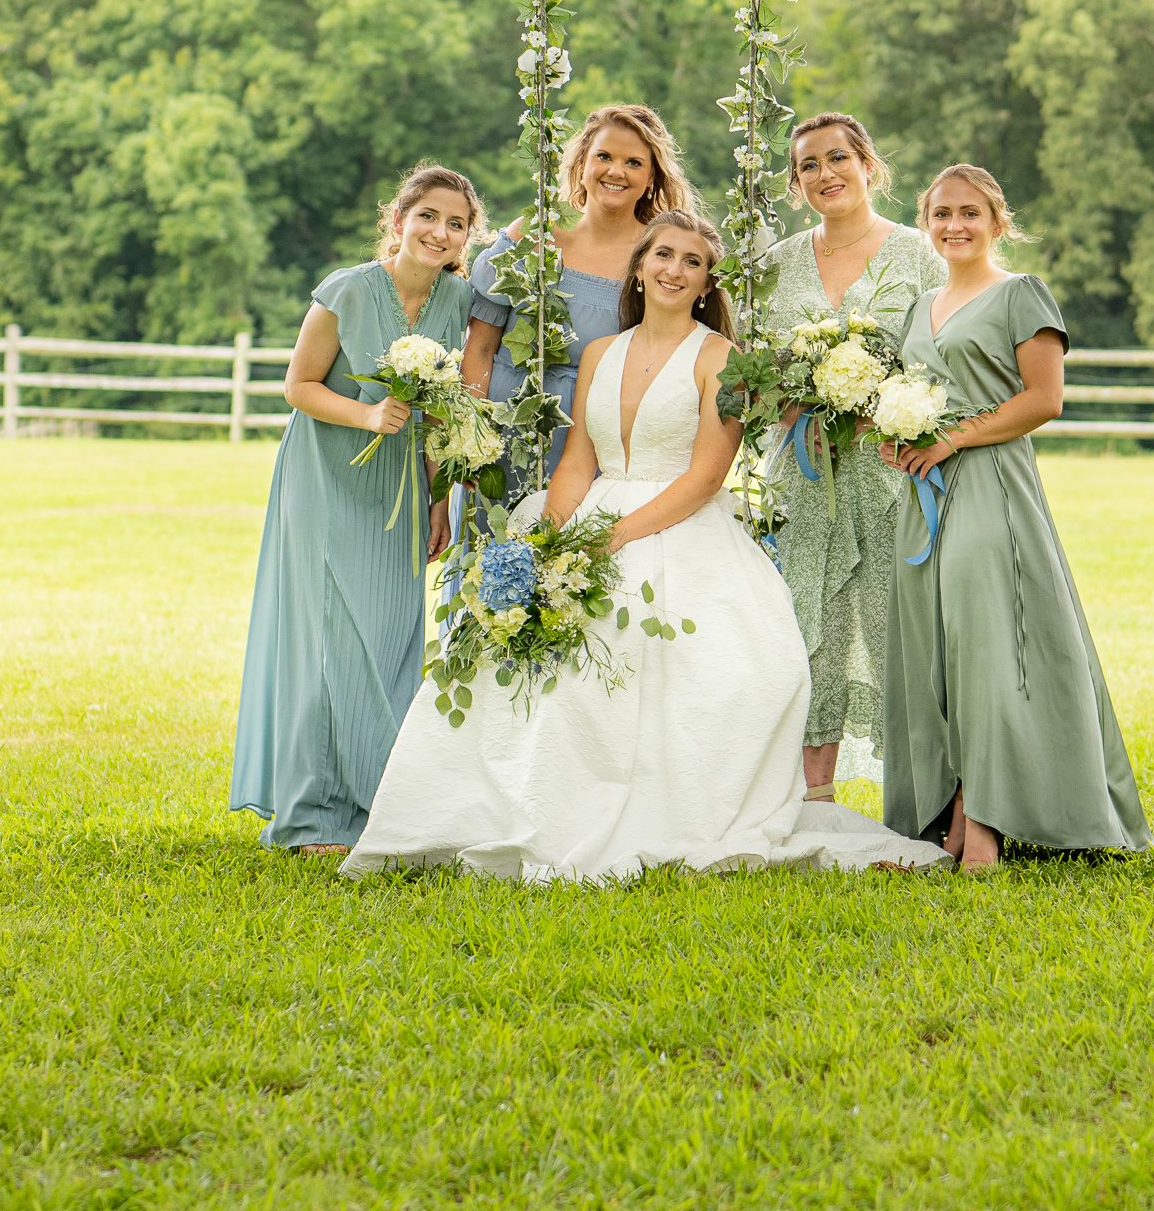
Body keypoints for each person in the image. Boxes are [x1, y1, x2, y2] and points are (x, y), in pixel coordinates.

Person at [344, 211, 948, 882]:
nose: (673, 269)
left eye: (691, 262)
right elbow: (577, 461)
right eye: (662, 254)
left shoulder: (720, 358)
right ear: (639, 266)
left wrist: (615, 537)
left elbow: (704, 477)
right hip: (596, 512)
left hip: (681, 526)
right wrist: (552, 540)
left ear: (705, 282)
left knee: (710, 669)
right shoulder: (603, 352)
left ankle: (674, 808)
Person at [879, 164, 1152, 873]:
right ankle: (948, 818)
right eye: (940, 213)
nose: (954, 225)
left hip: (992, 486)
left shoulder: (1021, 295)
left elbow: (1044, 399)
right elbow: (912, 390)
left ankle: (986, 828)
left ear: (998, 221)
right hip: (925, 494)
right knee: (939, 650)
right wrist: (895, 433)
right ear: (925, 222)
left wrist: (953, 438)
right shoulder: (919, 306)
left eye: (970, 212)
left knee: (988, 651)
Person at [229, 165, 485, 854]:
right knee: (328, 643)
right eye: (427, 215)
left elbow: (444, 415)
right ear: (397, 220)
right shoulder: (345, 290)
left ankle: (384, 804)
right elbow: (299, 386)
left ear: (466, 237)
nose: (439, 231)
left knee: (393, 638)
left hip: (403, 489)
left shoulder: (460, 300)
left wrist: (438, 500)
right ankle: (316, 815)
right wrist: (368, 415)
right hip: (324, 480)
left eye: (456, 223)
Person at [763, 111, 945, 797]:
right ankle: (813, 801)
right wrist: (792, 404)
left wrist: (891, 410)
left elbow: (947, 356)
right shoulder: (776, 265)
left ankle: (922, 794)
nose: (824, 174)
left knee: (896, 626)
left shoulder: (922, 254)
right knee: (810, 627)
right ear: (796, 182)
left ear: (869, 165)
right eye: (808, 165)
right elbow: (750, 368)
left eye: (837, 158)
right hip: (805, 477)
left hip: (893, 472)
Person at [460, 103, 693, 490]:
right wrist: (470, 439)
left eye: (634, 163)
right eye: (604, 156)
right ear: (582, 163)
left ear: (652, 176)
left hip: (596, 449)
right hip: (502, 438)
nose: (616, 171)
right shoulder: (532, 235)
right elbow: (480, 346)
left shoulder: (659, 257)